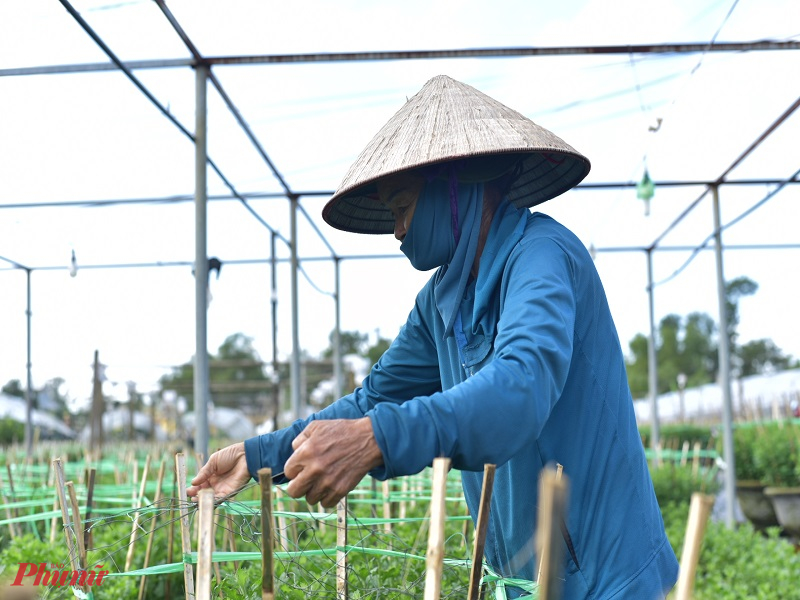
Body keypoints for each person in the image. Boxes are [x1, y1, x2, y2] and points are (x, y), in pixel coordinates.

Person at [187, 75, 679, 599]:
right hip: (525, 581)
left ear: (456, 188)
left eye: (401, 207)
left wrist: (379, 438)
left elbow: (521, 387)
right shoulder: (444, 296)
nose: (397, 230)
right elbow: (373, 399)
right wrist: (260, 455)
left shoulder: (542, 255)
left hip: (611, 579)